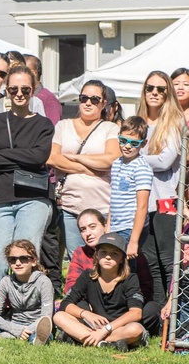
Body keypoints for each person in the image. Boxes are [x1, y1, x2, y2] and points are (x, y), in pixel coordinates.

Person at [0, 64, 54, 288]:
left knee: (24, 262)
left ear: (33, 90)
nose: (19, 94)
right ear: (6, 90)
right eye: (13, 90)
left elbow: (39, 156)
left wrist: (2, 155)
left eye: (25, 89)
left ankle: (23, 311)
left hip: (34, 198)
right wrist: (25, 157)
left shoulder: (44, 124)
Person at [47, 80, 120, 256]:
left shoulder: (110, 128)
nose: (88, 103)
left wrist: (75, 157)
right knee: (77, 257)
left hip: (101, 206)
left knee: (104, 257)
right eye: (84, 98)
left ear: (103, 104)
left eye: (95, 99)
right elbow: (52, 158)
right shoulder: (63, 126)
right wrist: (87, 169)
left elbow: (111, 159)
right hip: (70, 206)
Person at [54, 233, 149, 351]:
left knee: (135, 330)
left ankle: (80, 338)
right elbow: (66, 303)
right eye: (103, 252)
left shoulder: (130, 279)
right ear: (97, 255)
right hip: (94, 326)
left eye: (114, 253)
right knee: (59, 316)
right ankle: (105, 344)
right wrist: (86, 314)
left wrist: (106, 329)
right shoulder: (87, 276)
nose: (108, 257)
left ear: (122, 259)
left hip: (118, 328)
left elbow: (136, 313)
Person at [135, 71, 183, 304]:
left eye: (160, 89)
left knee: (168, 259)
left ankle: (174, 312)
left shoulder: (174, 123)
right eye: (150, 88)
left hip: (165, 200)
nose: (154, 93)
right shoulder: (137, 122)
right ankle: (157, 308)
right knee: (149, 259)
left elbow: (165, 160)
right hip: (141, 201)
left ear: (167, 94)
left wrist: (134, 159)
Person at [64, 209, 154, 307]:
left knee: (151, 309)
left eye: (92, 227)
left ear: (105, 226)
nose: (88, 233)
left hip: (125, 307)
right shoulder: (80, 253)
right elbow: (71, 286)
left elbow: (146, 286)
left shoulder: (127, 249)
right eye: (83, 229)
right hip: (92, 307)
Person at [105, 116, 151, 252]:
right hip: (115, 226)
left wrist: (134, 241)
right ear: (118, 137)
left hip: (130, 228)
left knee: (125, 268)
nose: (128, 146)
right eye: (123, 141)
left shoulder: (141, 167)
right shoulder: (116, 163)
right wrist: (108, 225)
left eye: (134, 143)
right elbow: (114, 198)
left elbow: (142, 206)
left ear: (143, 143)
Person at [25, 54, 62, 125]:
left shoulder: (48, 99)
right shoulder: (22, 97)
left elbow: (53, 128)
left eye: (23, 71)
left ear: (34, 73)